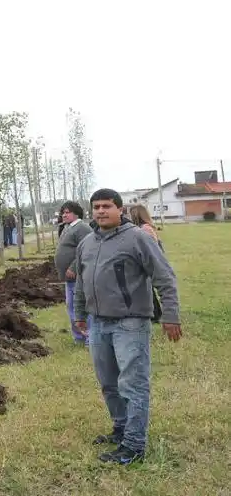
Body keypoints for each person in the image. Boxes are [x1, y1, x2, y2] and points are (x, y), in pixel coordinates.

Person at [74, 188, 181, 465]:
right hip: (98, 323)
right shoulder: (86, 243)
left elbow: (165, 277)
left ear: (120, 209)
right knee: (108, 383)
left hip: (130, 322)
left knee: (132, 384)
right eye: (96, 207)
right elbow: (81, 282)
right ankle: (120, 429)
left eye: (107, 206)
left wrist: (170, 315)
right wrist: (80, 313)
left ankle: (134, 445)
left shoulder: (138, 239)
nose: (100, 211)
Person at [55, 201, 92, 344]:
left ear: (76, 213)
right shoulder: (67, 227)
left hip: (78, 276)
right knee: (71, 307)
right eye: (63, 212)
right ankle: (79, 337)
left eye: (67, 212)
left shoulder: (82, 228)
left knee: (80, 307)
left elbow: (87, 250)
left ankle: (89, 337)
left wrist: (74, 267)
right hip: (68, 278)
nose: (64, 215)